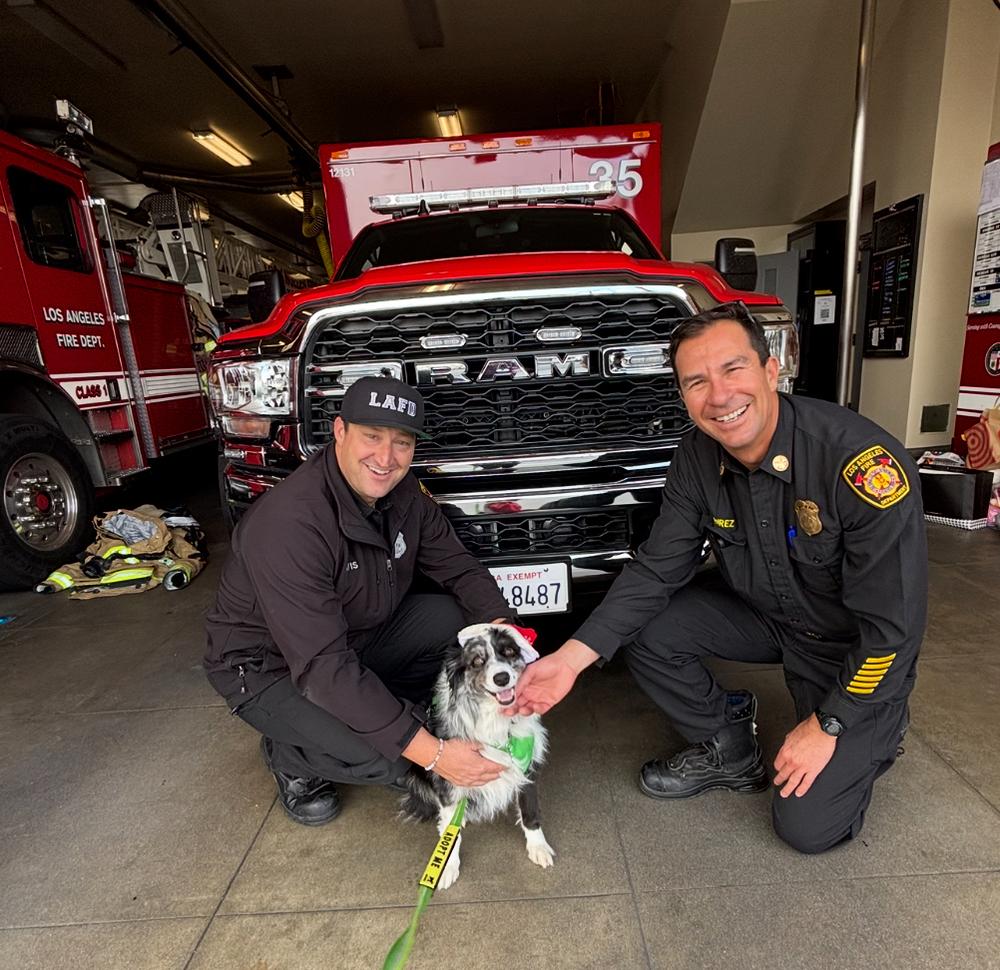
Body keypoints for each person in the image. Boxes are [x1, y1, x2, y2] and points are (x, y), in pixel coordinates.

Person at [509, 302, 927, 854]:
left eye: (733, 370)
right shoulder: (697, 456)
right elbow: (658, 567)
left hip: (850, 649)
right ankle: (728, 745)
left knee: (806, 827)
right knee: (651, 627)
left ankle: (878, 729)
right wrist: (571, 658)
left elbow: (894, 631)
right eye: (696, 382)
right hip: (770, 617)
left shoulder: (859, 464)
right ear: (683, 396)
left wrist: (830, 723)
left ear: (770, 370)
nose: (719, 396)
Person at [205, 376, 514, 825]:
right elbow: (323, 668)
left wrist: (510, 641)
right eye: (372, 436)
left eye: (401, 443)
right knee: (396, 760)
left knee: (450, 619)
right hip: (269, 669)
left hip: (354, 637)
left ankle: (371, 718)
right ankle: (290, 751)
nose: (385, 459)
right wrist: (434, 752)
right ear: (339, 431)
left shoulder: (404, 493)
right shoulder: (291, 524)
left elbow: (459, 568)